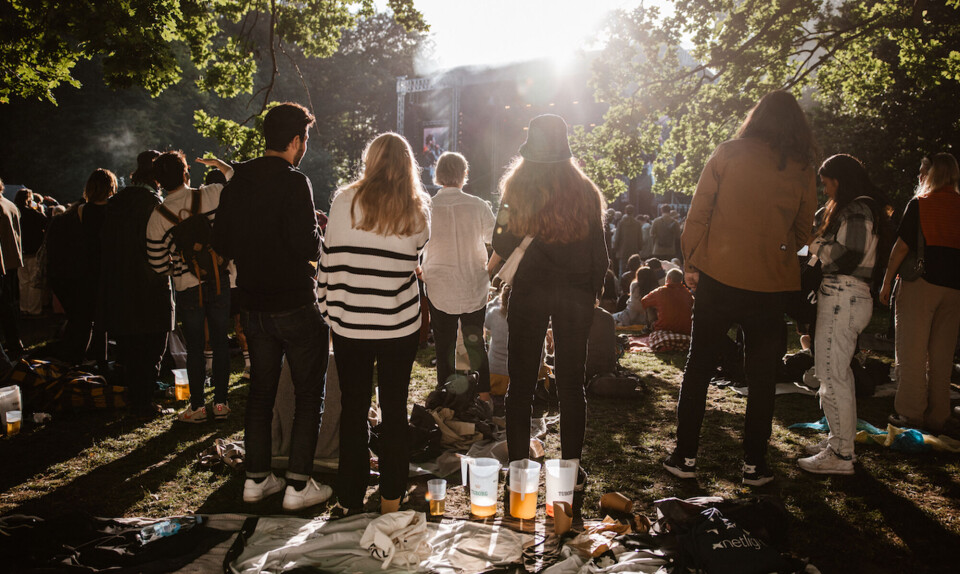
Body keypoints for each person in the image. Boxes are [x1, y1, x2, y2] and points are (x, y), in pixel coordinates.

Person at [663, 90, 817, 486]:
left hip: (719, 278)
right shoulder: (802, 166)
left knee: (699, 367)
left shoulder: (729, 152)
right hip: (770, 285)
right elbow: (804, 232)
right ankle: (754, 464)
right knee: (763, 377)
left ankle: (685, 456)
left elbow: (698, 215)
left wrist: (692, 262)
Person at [213, 102, 331, 510]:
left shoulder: (237, 181)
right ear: (296, 140)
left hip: (253, 307)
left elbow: (222, 243)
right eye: (305, 141)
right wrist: (315, 229)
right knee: (307, 394)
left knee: (260, 393)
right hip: (294, 303)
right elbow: (306, 246)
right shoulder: (295, 181)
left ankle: (255, 478)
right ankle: (298, 485)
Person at [491, 114, 608, 487]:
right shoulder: (586, 192)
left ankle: (518, 466)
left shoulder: (516, 188)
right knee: (572, 384)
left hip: (530, 291)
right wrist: (592, 292)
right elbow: (600, 255)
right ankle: (572, 467)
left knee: (521, 382)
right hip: (575, 295)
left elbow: (502, 243)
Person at [318, 132, 431, 515]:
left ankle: (348, 498)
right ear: (407, 165)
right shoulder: (418, 213)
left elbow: (326, 263)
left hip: (350, 324)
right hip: (399, 324)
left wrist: (328, 312)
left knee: (353, 409)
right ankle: (390, 499)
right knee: (394, 410)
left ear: (370, 159)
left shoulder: (342, 201)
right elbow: (416, 264)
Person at [797, 154, 885, 475]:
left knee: (834, 376)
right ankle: (839, 443)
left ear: (841, 179)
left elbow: (849, 257)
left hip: (843, 295)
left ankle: (841, 453)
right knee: (829, 373)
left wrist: (816, 243)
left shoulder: (858, 210)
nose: (825, 188)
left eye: (827, 181)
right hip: (841, 296)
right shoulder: (858, 209)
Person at [147, 151, 233, 424]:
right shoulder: (213, 193)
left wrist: (179, 269)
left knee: (196, 346)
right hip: (220, 280)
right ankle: (221, 404)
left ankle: (197, 407)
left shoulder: (158, 216)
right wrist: (221, 165)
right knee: (220, 342)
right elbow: (241, 187)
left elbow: (158, 263)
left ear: (158, 182)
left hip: (187, 287)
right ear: (186, 172)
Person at [880, 153, 960, 434]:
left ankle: (911, 413)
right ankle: (939, 415)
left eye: (921, 170)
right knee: (942, 355)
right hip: (954, 290)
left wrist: (887, 281)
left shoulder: (921, 204)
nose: (918, 175)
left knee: (912, 351)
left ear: (932, 174)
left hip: (921, 283)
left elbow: (901, 248)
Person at [100, 151, 175, 417]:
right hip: (150, 284)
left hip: (119, 284)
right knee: (153, 345)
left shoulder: (115, 202)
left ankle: (135, 396)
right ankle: (143, 402)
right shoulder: (154, 204)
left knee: (130, 346)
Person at [420, 152, 495, 401]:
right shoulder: (478, 205)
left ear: (438, 175)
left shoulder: (427, 207)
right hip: (474, 283)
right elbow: (499, 241)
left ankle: (446, 399)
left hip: (439, 284)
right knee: (476, 343)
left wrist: (419, 270)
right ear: (465, 174)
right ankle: (484, 398)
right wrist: (489, 269)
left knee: (444, 347)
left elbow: (412, 243)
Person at [47, 170, 115, 366]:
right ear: (111, 188)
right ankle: (96, 362)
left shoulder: (74, 214)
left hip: (78, 276)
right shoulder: (113, 213)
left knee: (82, 322)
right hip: (101, 275)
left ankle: (76, 362)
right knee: (97, 322)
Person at [641, 268, 694, 352]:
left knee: (649, 306)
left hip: (663, 328)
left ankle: (649, 328)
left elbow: (644, 301)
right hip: (686, 331)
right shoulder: (688, 294)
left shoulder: (660, 291)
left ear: (668, 279)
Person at [0, 179, 22, 373]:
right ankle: (15, 344)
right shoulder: (10, 205)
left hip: (1, 262)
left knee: (5, 306)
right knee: (9, 306)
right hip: (12, 260)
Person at [14, 188, 47, 316]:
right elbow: (47, 223)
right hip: (34, 251)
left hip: (20, 252)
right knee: (34, 282)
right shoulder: (34, 214)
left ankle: (24, 308)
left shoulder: (16, 212)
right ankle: (34, 309)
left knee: (23, 282)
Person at [612, 204, 643, 276]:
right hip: (634, 250)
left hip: (622, 251)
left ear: (625, 211)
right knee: (635, 271)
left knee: (622, 271)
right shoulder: (637, 224)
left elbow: (617, 237)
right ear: (633, 212)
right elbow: (640, 238)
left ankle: (622, 285)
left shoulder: (621, 223)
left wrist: (615, 248)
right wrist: (640, 247)